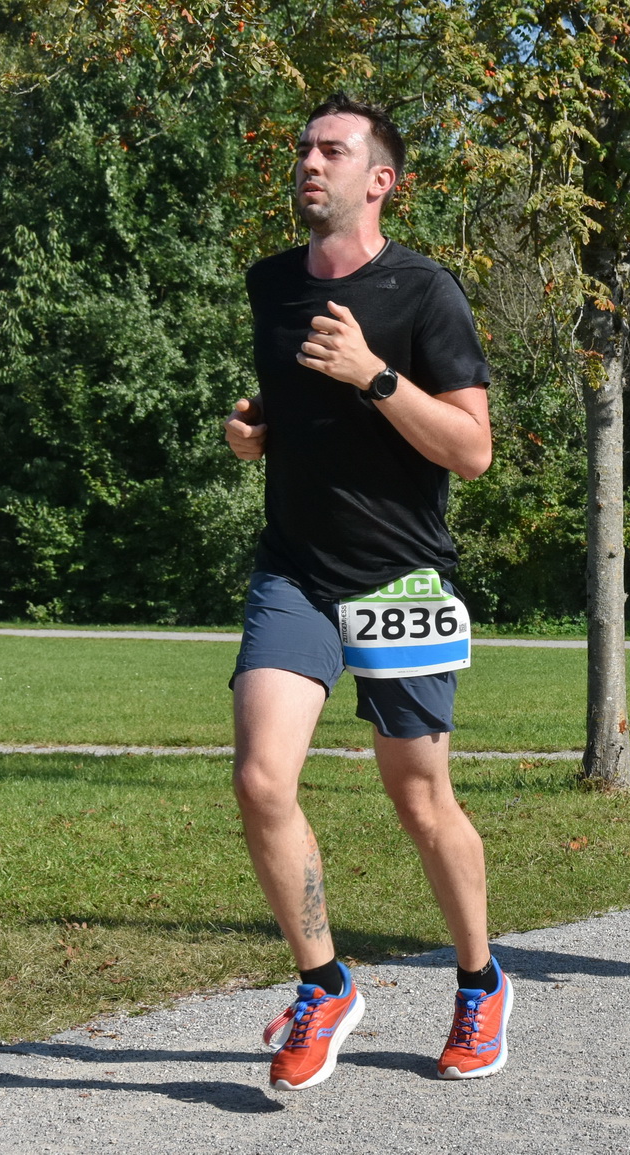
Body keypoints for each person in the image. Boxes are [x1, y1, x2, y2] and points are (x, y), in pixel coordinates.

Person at [222, 95, 505, 1090]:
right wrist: (255, 428)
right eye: (304, 147)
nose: (309, 161)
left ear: (380, 180)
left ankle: (479, 980)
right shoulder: (271, 283)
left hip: (401, 576)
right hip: (295, 571)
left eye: (332, 150)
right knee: (262, 779)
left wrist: (374, 376)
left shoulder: (426, 293)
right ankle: (325, 983)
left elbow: (471, 450)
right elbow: (294, 405)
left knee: (419, 798)